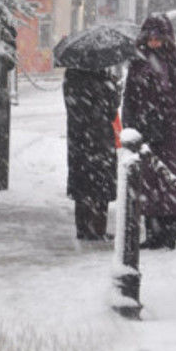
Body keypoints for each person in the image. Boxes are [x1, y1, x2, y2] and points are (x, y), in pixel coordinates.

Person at [122, 14, 176, 251]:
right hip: (146, 134)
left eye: (158, 38)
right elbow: (129, 100)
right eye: (150, 39)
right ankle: (153, 234)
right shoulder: (138, 65)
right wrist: (131, 127)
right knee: (148, 188)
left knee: (171, 186)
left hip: (173, 137)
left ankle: (169, 235)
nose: (154, 43)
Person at [63, 67, 120, 244]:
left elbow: (77, 109)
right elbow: (110, 112)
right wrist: (113, 89)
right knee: (100, 186)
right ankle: (97, 228)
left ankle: (84, 228)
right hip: (99, 139)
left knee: (83, 185)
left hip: (79, 140)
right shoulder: (102, 81)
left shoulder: (71, 79)